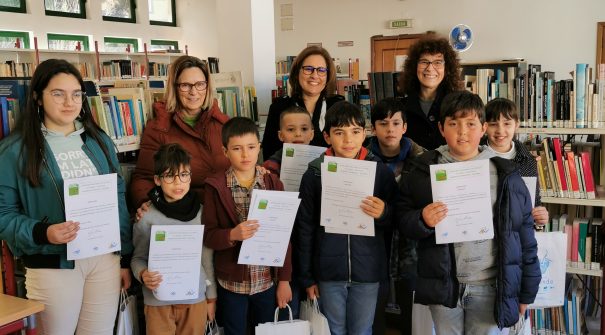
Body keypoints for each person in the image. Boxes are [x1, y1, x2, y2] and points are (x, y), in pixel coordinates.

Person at [0, 59, 132, 334]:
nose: (69, 102)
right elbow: (3, 215)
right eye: (58, 94)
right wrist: (43, 232)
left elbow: (117, 197)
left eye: (76, 94)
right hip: (53, 263)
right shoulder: (15, 150)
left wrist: (125, 257)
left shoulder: (99, 140)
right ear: (37, 97)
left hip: (104, 259)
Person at [397, 91, 541, 334]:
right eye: (453, 124)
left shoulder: (506, 175)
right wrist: (422, 220)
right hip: (443, 285)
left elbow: (523, 235)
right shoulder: (422, 170)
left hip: (490, 286)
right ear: (442, 128)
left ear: (483, 128)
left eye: (471, 124)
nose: (462, 132)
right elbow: (401, 220)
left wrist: (527, 290)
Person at [296, 101, 398, 335]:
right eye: (339, 133)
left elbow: (397, 218)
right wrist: (307, 277)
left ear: (365, 134)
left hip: (368, 272)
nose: (347, 140)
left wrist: (383, 213)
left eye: (355, 132)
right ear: (327, 136)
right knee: (334, 331)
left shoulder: (379, 171)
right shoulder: (314, 174)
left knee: (363, 330)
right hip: (329, 272)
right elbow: (304, 227)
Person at [202, 117, 292, 335]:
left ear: (259, 147)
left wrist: (285, 280)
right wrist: (231, 234)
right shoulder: (215, 187)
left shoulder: (273, 183)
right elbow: (208, 236)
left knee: (265, 330)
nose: (245, 154)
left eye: (251, 147)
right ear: (225, 151)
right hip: (232, 284)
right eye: (237, 148)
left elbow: (284, 236)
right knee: (235, 331)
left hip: (265, 281)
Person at [131, 143, 216, 335]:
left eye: (184, 175)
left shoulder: (201, 214)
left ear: (190, 177)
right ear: (158, 180)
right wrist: (143, 274)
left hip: (194, 300)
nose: (178, 182)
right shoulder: (147, 216)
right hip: (157, 302)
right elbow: (138, 258)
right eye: (170, 175)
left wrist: (211, 298)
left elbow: (206, 260)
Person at [130, 55, 229, 210]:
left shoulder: (224, 124)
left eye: (200, 84)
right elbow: (144, 177)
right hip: (184, 212)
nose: (194, 92)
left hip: (226, 208)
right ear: (174, 88)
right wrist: (144, 202)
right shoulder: (159, 128)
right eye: (185, 85)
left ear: (207, 86)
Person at [365, 97, 424, 335]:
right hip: (372, 241)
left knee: (410, 311)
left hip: (410, 248)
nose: (390, 129)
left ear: (405, 127)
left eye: (396, 123)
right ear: (373, 128)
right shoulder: (360, 157)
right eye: (383, 123)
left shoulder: (423, 159)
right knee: (375, 310)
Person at [261, 45, 344, 160]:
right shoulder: (279, 108)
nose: (314, 75)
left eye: (321, 70)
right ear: (297, 73)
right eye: (308, 69)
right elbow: (269, 153)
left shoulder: (339, 107)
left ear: (328, 76)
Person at [484, 98, 549, 226]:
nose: (500, 130)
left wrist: (540, 217)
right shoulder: (474, 156)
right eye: (493, 124)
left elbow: (533, 203)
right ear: (484, 126)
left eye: (507, 124)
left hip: (514, 233)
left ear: (517, 125)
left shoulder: (528, 161)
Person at [398, 35, 463, 150]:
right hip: (412, 167)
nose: (430, 68)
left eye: (438, 62)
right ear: (414, 67)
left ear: (447, 68)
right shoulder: (401, 106)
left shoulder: (458, 105)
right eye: (424, 62)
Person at [262, 105, 314, 176]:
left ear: (311, 134)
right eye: (291, 129)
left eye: (304, 129)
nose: (298, 134)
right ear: (281, 136)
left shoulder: (322, 163)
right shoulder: (269, 167)